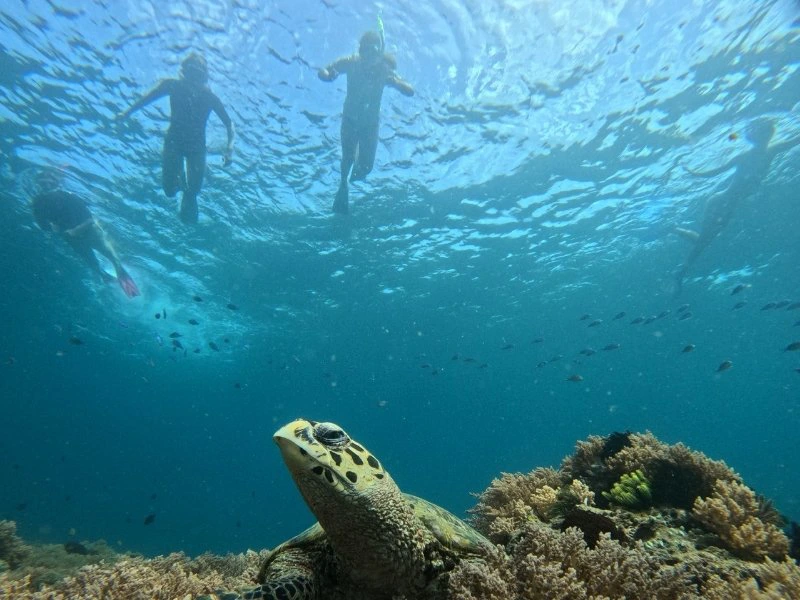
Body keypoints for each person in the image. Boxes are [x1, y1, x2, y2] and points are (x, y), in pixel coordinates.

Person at [117, 53, 235, 224]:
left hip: (196, 147)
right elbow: (146, 98)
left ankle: (187, 190)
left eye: (198, 76)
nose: (193, 81)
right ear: (184, 72)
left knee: (193, 192)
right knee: (169, 191)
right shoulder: (171, 85)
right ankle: (181, 181)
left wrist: (230, 149)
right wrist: (127, 112)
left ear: (204, 78)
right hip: (174, 142)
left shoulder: (210, 97)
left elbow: (229, 124)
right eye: (191, 74)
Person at [673, 118, 786, 295]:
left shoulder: (773, 150)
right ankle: (680, 272)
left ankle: (676, 233)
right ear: (755, 136)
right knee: (703, 242)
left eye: (769, 131)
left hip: (728, 206)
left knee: (704, 240)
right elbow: (714, 172)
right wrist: (692, 171)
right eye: (764, 132)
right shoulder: (744, 157)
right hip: (720, 203)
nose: (768, 135)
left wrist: (693, 172)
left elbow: (796, 140)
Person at [319, 29, 414, 214]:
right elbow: (323, 70)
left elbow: (410, 90)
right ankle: (343, 186)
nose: (369, 56)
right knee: (347, 159)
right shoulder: (351, 62)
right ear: (360, 50)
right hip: (349, 120)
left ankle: (353, 173)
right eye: (365, 50)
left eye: (373, 51)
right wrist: (328, 76)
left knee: (366, 168)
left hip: (370, 126)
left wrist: (397, 83)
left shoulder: (385, 70)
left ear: (380, 53)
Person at [32, 189, 140, 298]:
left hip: (91, 233)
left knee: (113, 258)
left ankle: (123, 279)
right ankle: (112, 282)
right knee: (94, 265)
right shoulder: (39, 204)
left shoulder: (69, 197)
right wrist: (53, 228)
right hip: (73, 240)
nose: (47, 185)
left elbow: (91, 219)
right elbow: (44, 226)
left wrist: (76, 230)